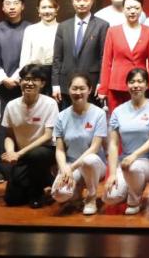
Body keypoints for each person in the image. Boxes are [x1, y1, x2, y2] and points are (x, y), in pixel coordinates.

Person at [103, 67, 149, 214]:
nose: (136, 85)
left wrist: (134, 155)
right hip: (126, 162)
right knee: (110, 197)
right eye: (132, 82)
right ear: (127, 85)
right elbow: (113, 144)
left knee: (134, 167)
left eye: (140, 81)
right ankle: (131, 186)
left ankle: (134, 200)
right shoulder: (118, 111)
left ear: (147, 85)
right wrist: (112, 173)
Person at [1, 63, 58, 207]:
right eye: (26, 79)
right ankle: (47, 180)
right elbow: (9, 135)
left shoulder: (50, 104)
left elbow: (47, 136)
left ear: (42, 83)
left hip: (45, 150)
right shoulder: (11, 105)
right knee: (12, 199)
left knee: (36, 155)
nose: (29, 83)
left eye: (35, 80)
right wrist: (10, 152)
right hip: (22, 154)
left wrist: (19, 154)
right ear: (20, 82)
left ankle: (37, 193)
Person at [51, 73, 107, 215]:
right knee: (59, 194)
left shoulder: (99, 114)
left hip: (94, 165)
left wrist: (71, 168)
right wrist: (64, 168)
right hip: (71, 164)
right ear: (68, 90)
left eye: (82, 88)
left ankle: (91, 197)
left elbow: (94, 148)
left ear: (89, 90)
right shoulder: (61, 116)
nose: (78, 92)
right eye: (74, 88)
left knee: (89, 160)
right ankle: (76, 194)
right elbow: (60, 150)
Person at [52, 0, 109, 107]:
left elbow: (104, 58)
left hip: (92, 85)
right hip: (66, 85)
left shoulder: (102, 25)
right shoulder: (63, 26)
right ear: (72, 1)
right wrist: (55, 84)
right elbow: (57, 58)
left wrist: (101, 82)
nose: (82, 3)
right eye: (78, 0)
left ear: (92, 0)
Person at [99, 0, 149, 113]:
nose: (132, 11)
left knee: (141, 117)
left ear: (141, 10)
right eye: (129, 8)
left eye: (136, 8)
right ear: (123, 10)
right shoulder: (112, 31)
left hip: (140, 84)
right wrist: (103, 89)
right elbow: (106, 62)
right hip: (117, 85)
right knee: (116, 119)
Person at [0, 0, 30, 118]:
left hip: (24, 84)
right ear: (3, 8)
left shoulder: (31, 29)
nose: (12, 7)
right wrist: (4, 79)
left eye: (16, 3)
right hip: (0, 86)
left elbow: (32, 57)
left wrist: (17, 78)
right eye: (8, 3)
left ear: (22, 6)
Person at [19, 0, 60, 91]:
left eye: (50, 7)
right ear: (38, 9)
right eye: (44, 7)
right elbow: (25, 58)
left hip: (57, 75)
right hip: (34, 74)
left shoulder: (63, 28)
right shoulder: (31, 30)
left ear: (57, 9)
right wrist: (24, 78)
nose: (47, 11)